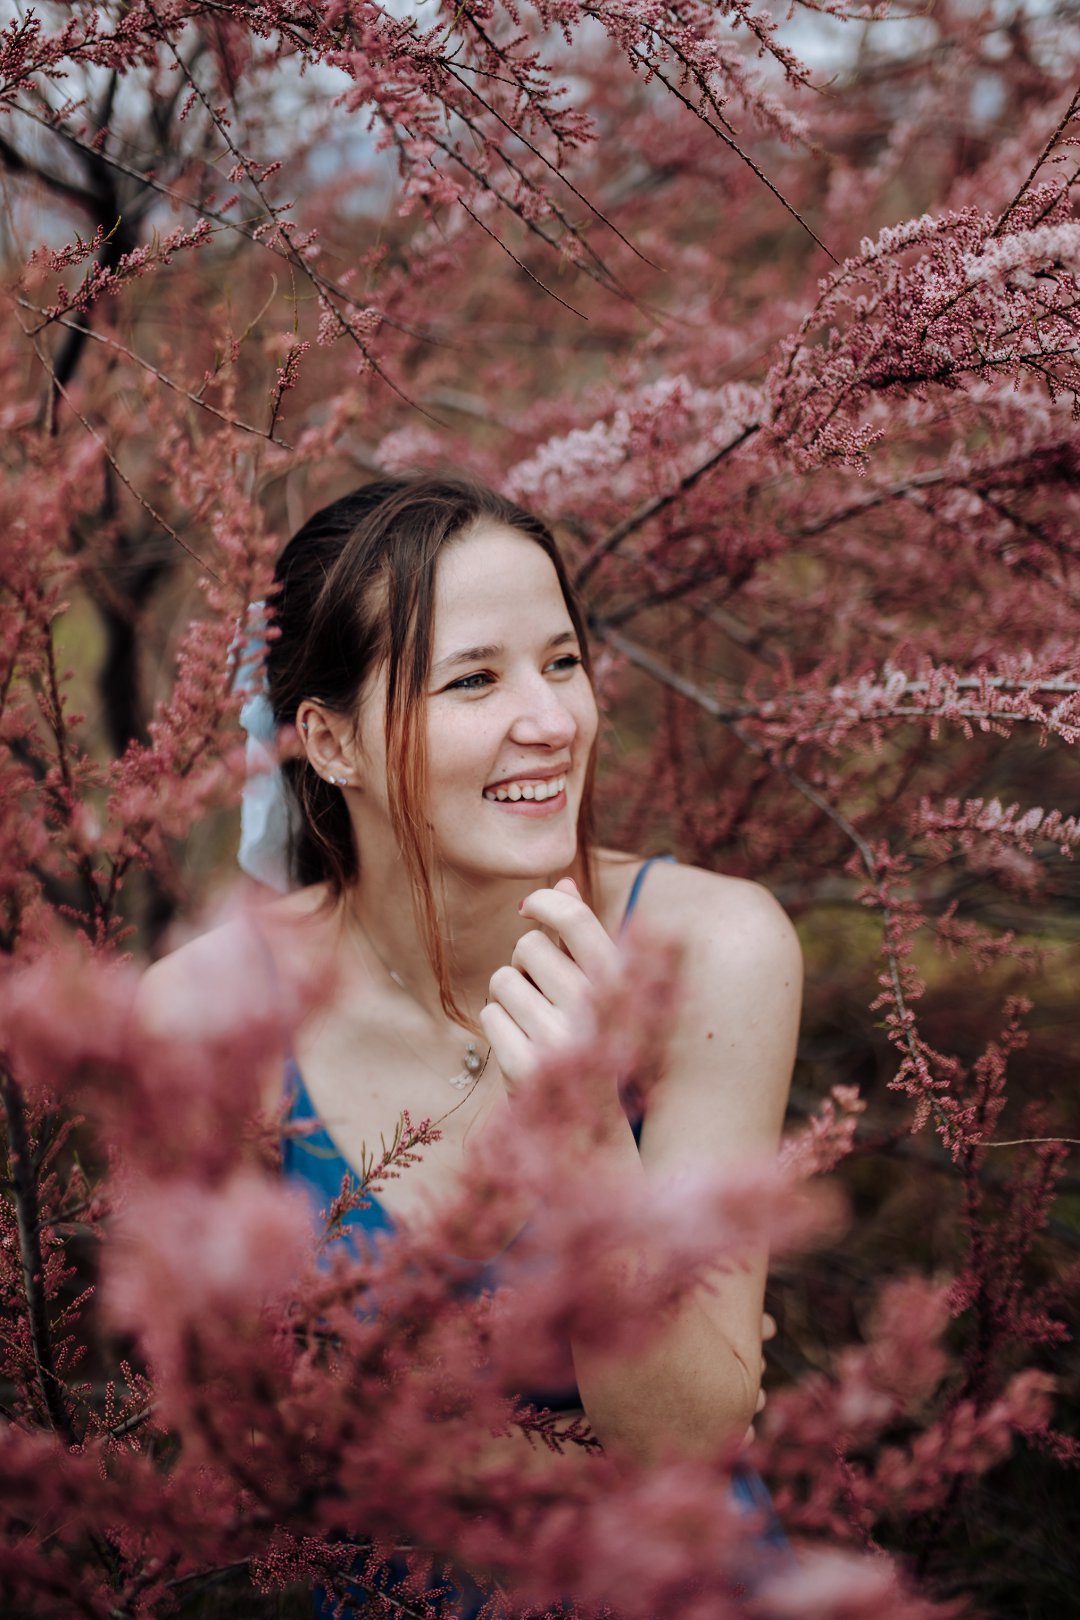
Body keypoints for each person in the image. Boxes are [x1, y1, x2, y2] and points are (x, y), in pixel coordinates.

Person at [139, 472, 802, 1600]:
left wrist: (589, 1134)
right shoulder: (205, 1021)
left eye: (562, 663)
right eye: (474, 679)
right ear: (330, 743)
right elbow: (228, 1459)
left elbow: (682, 1438)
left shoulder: (714, 953)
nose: (551, 721)